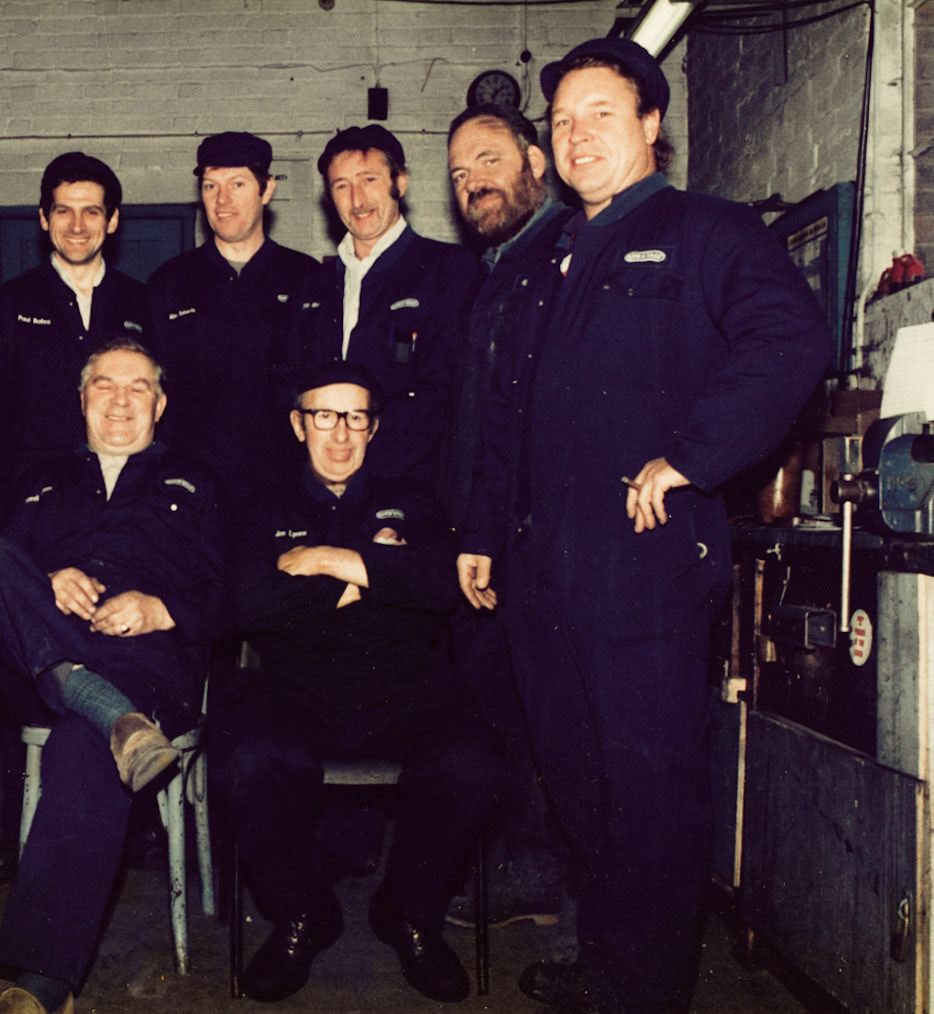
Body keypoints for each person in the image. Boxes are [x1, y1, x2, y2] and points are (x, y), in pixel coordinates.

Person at [456, 39, 829, 1014]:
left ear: (652, 124)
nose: (577, 136)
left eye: (601, 114)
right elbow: (509, 412)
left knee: (651, 798)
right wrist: (485, 533)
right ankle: (612, 961)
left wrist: (696, 455)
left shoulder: (705, 232)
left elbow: (791, 339)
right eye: (563, 121)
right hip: (544, 582)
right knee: (581, 792)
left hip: (645, 577)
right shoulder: (547, 258)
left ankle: (647, 992)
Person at [0, 340, 224, 1014]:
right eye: (106, 385)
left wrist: (161, 607)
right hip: (44, 655)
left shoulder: (196, 483)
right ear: (82, 400)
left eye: (139, 388)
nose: (122, 400)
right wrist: (45, 582)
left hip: (146, 661)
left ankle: (44, 987)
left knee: (82, 748)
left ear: (160, 404)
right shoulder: (38, 479)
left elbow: (232, 596)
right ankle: (108, 712)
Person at [218, 361, 500, 1004]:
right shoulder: (261, 506)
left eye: (355, 417)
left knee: (473, 765)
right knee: (252, 760)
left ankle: (410, 912)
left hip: (406, 687)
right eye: (323, 415)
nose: (340, 434)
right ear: (298, 424)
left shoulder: (418, 499)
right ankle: (302, 914)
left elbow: (441, 588)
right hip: (296, 686)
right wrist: (378, 577)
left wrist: (328, 562)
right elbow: (250, 607)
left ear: (373, 428)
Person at [442, 103, 575, 931]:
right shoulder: (504, 265)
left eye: (488, 160)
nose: (474, 182)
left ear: (534, 157)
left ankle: (542, 878)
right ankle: (527, 861)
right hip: (493, 538)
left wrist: (494, 535)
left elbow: (526, 424)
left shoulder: (560, 256)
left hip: (532, 544)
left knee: (539, 714)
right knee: (509, 705)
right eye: (460, 174)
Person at [282, 125, 478, 487]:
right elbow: (291, 389)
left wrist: (357, 474)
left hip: (412, 490)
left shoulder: (448, 270)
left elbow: (442, 394)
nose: (357, 199)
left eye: (369, 179)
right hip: (321, 490)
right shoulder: (312, 286)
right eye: (341, 186)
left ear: (399, 183)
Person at [147, 131, 318, 497]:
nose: (222, 200)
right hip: (191, 490)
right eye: (210, 186)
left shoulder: (307, 278)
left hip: (285, 490)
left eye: (237, 183)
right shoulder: (170, 282)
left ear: (266, 190)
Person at [0, 151, 147, 511]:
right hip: (32, 501)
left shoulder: (144, 303)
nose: (77, 226)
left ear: (113, 220)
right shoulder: (7, 304)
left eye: (91, 211)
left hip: (124, 501)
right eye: (63, 211)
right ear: (43, 218)